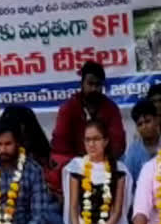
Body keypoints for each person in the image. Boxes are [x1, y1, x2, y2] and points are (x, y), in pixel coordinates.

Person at [49, 121, 132, 224]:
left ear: (105, 141)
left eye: (96, 139)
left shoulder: (119, 170)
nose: (91, 144)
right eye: (88, 140)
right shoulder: (77, 167)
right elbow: (73, 207)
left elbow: (117, 211)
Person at [49, 61, 125, 192]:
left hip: (103, 161)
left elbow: (118, 144)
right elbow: (60, 144)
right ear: (82, 84)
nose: (94, 89)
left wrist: (99, 162)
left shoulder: (111, 109)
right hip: (75, 162)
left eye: (98, 85)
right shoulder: (69, 108)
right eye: (90, 84)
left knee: (121, 167)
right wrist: (82, 162)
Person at [123, 100, 161, 184]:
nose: (144, 127)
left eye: (148, 121)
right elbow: (129, 182)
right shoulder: (133, 151)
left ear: (156, 120)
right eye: (140, 124)